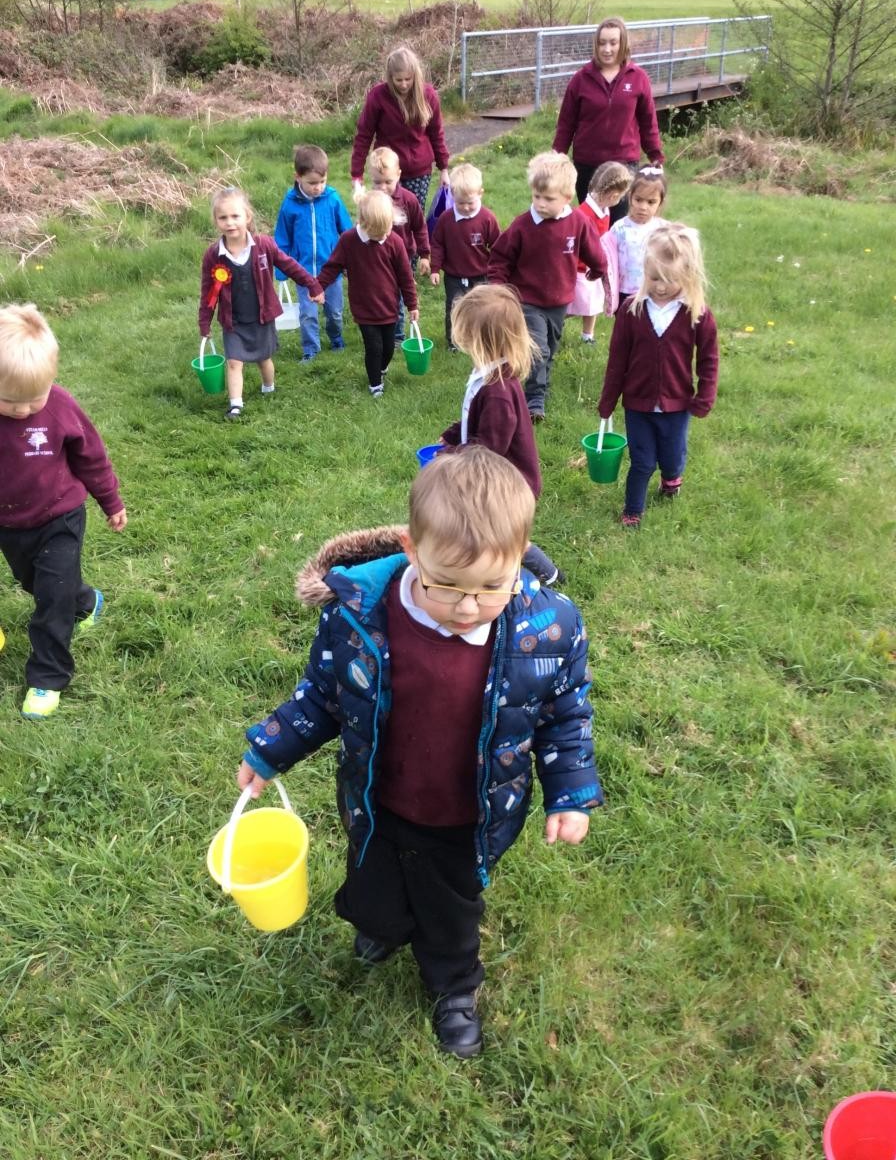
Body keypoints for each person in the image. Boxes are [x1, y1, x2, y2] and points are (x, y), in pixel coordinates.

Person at [236, 446, 603, 1058]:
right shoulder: (359, 615)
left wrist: (570, 792)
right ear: (411, 550)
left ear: (520, 560)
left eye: (490, 587)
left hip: (468, 812)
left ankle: (454, 986)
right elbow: (324, 696)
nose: (466, 607)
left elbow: (566, 714)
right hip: (380, 795)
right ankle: (383, 927)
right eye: (448, 586)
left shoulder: (550, 628)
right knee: (374, 885)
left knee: (450, 909)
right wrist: (272, 748)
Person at [0, 303, 127, 720]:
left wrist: (110, 500)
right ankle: (87, 601)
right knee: (36, 583)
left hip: (60, 516)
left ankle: (48, 676)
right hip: (10, 522)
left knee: (51, 600)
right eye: (9, 401)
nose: (21, 411)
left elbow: (91, 457)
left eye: (31, 400)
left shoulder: (59, 407)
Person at [440, 284, 563, 587]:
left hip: (509, 484)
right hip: (498, 478)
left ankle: (545, 577)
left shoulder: (497, 391)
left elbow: (489, 447)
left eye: (466, 336)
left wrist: (453, 455)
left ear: (480, 340)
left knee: (504, 538)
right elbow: (477, 421)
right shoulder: (488, 374)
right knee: (494, 534)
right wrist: (454, 435)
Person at [597, 223, 719, 528]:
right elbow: (617, 359)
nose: (661, 287)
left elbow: (708, 359)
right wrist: (608, 400)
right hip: (637, 404)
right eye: (653, 278)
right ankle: (633, 510)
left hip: (677, 405)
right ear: (644, 271)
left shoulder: (697, 314)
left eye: (670, 280)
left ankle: (671, 478)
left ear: (688, 275)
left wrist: (705, 395)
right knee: (642, 461)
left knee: (672, 455)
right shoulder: (631, 310)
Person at [487, 151, 608, 423]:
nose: (540, 203)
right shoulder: (522, 225)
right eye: (536, 196)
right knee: (537, 348)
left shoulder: (577, 222)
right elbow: (500, 257)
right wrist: (496, 286)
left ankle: (539, 383)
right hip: (526, 298)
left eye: (548, 199)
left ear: (567, 197)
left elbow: (593, 249)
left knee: (549, 349)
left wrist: (599, 268)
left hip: (559, 300)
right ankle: (534, 399)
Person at [199, 187, 323, 420]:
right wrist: (204, 325)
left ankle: (269, 387)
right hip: (233, 320)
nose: (230, 222)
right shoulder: (213, 255)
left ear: (247, 216)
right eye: (223, 217)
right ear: (216, 221)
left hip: (261, 316)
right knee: (234, 361)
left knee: (263, 359)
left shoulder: (264, 245)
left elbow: (290, 266)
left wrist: (313, 285)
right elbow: (208, 293)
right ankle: (236, 404)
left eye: (235, 216)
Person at [552, 17, 664, 221]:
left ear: (623, 44)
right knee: (590, 223)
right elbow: (566, 124)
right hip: (587, 165)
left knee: (618, 223)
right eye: (602, 43)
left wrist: (656, 156)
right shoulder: (580, 79)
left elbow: (649, 122)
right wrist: (556, 157)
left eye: (613, 42)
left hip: (624, 165)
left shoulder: (638, 78)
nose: (607, 49)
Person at [317, 190, 418, 397]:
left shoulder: (395, 242)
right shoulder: (348, 240)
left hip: (389, 305)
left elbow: (406, 277)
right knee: (374, 347)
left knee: (388, 347)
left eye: (387, 230)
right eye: (378, 232)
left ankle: (381, 369)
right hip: (364, 306)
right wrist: (318, 286)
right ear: (363, 223)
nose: (383, 236)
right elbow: (332, 267)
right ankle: (375, 385)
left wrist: (412, 305)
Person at [273, 143, 352, 365]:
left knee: (335, 312)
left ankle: (336, 338)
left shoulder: (333, 199)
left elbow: (346, 231)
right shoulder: (290, 205)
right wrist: (281, 272)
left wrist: (350, 261)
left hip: (332, 270)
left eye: (322, 182)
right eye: (312, 183)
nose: (318, 187)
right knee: (307, 314)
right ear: (297, 177)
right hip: (303, 272)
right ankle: (311, 349)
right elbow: (282, 239)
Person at [350, 45, 451, 211]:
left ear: (415, 75)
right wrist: (357, 175)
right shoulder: (378, 96)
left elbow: (436, 133)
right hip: (385, 170)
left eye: (408, 79)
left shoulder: (428, 96)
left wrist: (444, 169)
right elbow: (363, 136)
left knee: (412, 217)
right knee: (385, 216)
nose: (404, 84)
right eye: (398, 80)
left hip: (418, 172)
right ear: (390, 77)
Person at [429, 163, 501, 351]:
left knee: (482, 308)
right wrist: (435, 269)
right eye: (460, 203)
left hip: (480, 274)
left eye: (470, 202)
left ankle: (481, 339)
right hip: (454, 275)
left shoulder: (487, 219)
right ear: (453, 195)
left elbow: (498, 247)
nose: (466, 207)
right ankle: (454, 342)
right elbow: (436, 244)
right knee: (455, 309)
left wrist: (497, 272)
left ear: (480, 194)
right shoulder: (446, 219)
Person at [366, 147, 430, 342]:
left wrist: (425, 255)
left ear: (399, 175)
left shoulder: (408, 200)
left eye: (388, 182)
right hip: (376, 256)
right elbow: (362, 226)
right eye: (377, 182)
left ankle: (398, 334)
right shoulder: (369, 201)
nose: (383, 187)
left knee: (401, 293)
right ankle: (377, 325)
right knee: (381, 291)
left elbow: (419, 227)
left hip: (403, 256)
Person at [567, 162, 632, 344]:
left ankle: (588, 335)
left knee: (594, 303)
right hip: (580, 270)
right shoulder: (584, 215)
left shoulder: (605, 211)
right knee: (571, 306)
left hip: (594, 267)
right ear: (613, 195)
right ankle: (552, 323)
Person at [603, 167, 669, 316]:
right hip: (624, 292)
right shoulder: (619, 228)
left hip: (653, 291)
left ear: (660, 202)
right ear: (630, 196)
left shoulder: (663, 230)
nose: (643, 207)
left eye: (651, 202)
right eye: (638, 200)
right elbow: (608, 259)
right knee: (626, 331)